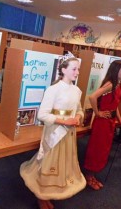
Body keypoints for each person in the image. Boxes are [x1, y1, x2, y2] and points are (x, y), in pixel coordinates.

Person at [20, 58, 86, 209]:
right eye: (74, 69)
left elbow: (80, 110)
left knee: (62, 162)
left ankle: (53, 191)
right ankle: (41, 195)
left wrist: (77, 117)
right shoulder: (53, 90)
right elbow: (42, 115)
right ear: (63, 70)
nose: (77, 72)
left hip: (69, 135)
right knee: (48, 161)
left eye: (78, 69)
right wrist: (64, 121)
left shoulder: (77, 91)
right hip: (55, 132)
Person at [83, 60, 121, 190]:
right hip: (102, 123)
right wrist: (98, 113)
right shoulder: (111, 84)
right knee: (97, 149)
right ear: (116, 71)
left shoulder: (120, 85)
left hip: (110, 122)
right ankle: (89, 176)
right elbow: (92, 97)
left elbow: (116, 106)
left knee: (104, 150)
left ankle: (92, 175)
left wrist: (119, 121)